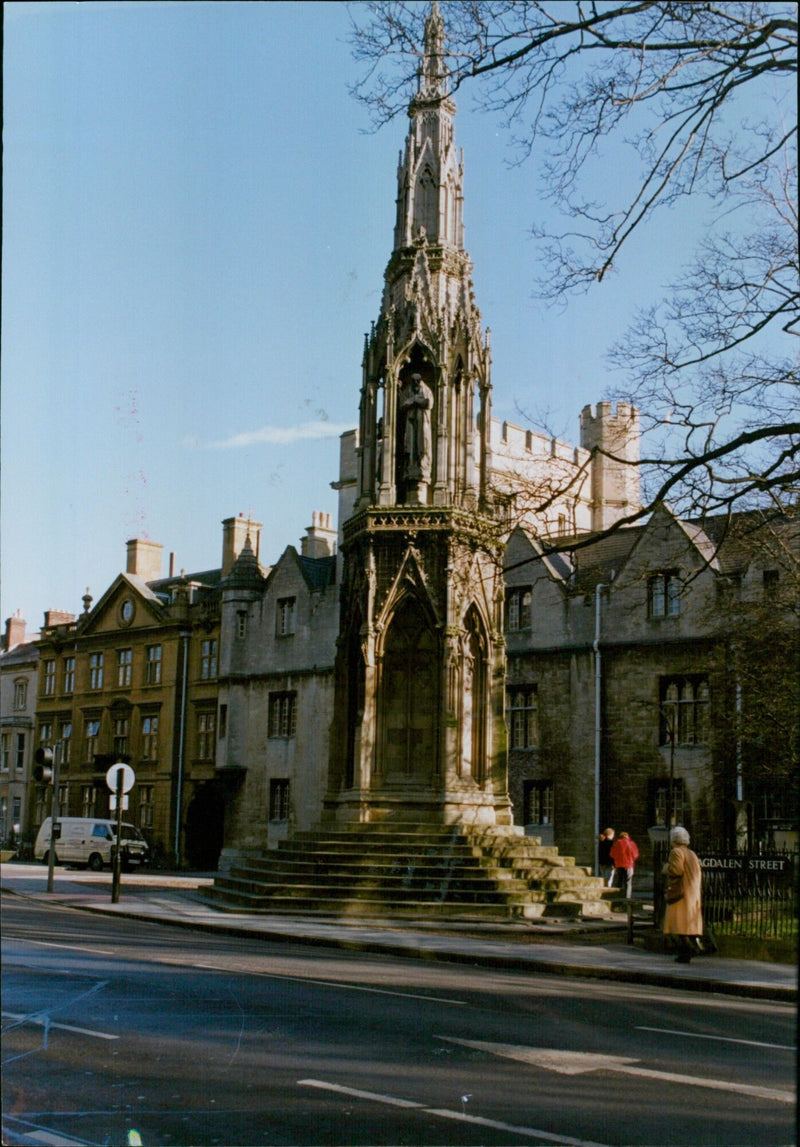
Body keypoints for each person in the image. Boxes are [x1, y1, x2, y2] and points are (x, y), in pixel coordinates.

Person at [663, 825, 704, 963]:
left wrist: (666, 868)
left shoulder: (676, 852)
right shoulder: (692, 853)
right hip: (692, 892)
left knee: (678, 923)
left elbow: (677, 870)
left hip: (681, 893)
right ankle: (688, 951)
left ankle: (688, 950)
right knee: (688, 924)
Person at [609, 830, 639, 898]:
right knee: (628, 882)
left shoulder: (617, 843)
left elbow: (612, 854)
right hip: (629, 865)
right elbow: (635, 855)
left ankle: (618, 897)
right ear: (627, 836)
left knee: (619, 881)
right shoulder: (631, 843)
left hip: (619, 865)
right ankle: (627, 898)